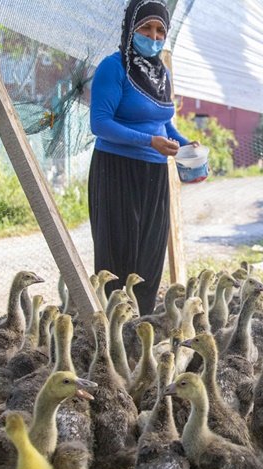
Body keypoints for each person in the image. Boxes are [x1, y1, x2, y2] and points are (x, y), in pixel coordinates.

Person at [88, 0, 197, 315]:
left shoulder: (160, 72)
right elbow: (101, 124)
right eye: (146, 27)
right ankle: (113, 333)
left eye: (161, 30)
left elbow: (162, 122)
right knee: (118, 257)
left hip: (154, 173)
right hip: (116, 170)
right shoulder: (113, 67)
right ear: (130, 28)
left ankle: (141, 330)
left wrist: (184, 144)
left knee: (149, 256)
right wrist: (148, 141)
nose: (154, 35)